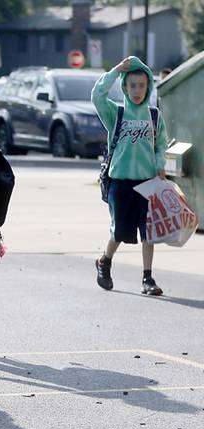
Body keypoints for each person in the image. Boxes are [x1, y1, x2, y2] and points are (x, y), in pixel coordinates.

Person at [92, 56, 169, 296]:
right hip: (120, 182)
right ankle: (105, 260)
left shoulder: (154, 115)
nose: (137, 90)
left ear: (148, 87)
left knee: (149, 231)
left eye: (142, 86)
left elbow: (161, 144)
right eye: (132, 85)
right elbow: (97, 95)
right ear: (125, 87)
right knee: (120, 231)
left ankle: (148, 277)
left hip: (147, 182)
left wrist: (159, 164)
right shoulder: (116, 113)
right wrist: (115, 71)